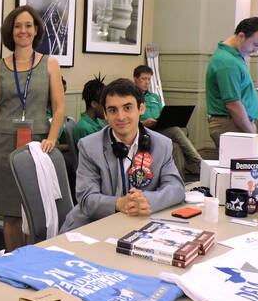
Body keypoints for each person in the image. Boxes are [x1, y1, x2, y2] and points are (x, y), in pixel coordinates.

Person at [0, 5, 65, 251]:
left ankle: (35, 263)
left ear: (36, 30)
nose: (23, 30)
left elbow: (59, 109)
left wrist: (51, 137)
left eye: (28, 25)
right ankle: (13, 261)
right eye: (18, 26)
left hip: (38, 145)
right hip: (4, 145)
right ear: (10, 31)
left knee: (36, 210)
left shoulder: (50, 65)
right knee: (10, 214)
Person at [60, 78, 185, 232]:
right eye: (113, 110)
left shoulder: (162, 145)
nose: (120, 117)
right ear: (105, 113)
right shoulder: (89, 146)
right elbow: (86, 199)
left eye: (127, 108)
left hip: (139, 226)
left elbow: (176, 188)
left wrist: (147, 201)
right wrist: (119, 204)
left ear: (141, 108)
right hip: (92, 226)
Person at [206, 17, 258, 149]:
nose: (256, 50)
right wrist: (254, 137)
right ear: (241, 36)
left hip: (237, 124)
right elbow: (233, 104)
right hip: (231, 124)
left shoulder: (235, 57)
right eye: (255, 44)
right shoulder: (227, 62)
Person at [133, 65, 202, 178]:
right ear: (135, 79)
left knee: (175, 146)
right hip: (143, 131)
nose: (147, 82)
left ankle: (180, 183)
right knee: (175, 131)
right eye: (143, 79)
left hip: (158, 129)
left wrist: (164, 120)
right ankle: (198, 161)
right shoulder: (131, 97)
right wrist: (144, 123)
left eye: (149, 79)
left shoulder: (154, 97)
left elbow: (162, 114)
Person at [74, 74, 107, 144]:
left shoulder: (98, 122)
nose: (107, 108)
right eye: (104, 104)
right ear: (94, 104)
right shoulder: (84, 128)